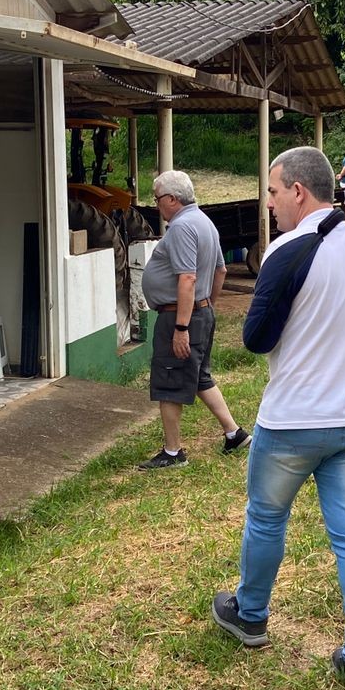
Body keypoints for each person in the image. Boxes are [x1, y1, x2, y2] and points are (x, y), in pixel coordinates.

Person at [210, 146, 345, 690]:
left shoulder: (288, 250)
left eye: (271, 191)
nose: (268, 203)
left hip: (294, 420)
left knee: (267, 520)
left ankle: (251, 614)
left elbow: (255, 339)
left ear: (297, 191)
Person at [137, 170, 250, 469]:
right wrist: (206, 306)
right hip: (198, 313)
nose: (156, 204)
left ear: (172, 199)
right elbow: (220, 270)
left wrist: (182, 326)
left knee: (170, 379)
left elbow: (186, 277)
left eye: (158, 198)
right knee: (199, 376)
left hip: (180, 315)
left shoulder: (183, 227)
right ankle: (234, 434)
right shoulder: (204, 222)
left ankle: (173, 453)